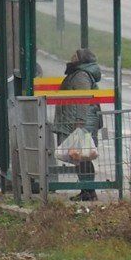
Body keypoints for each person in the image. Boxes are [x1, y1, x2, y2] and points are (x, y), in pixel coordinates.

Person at [53, 47, 104, 203]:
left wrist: (79, 123)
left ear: (82, 59)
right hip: (77, 120)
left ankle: (90, 191)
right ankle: (86, 190)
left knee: (83, 157)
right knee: (79, 157)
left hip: (81, 121)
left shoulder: (81, 75)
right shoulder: (77, 73)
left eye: (75, 55)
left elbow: (83, 99)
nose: (72, 57)